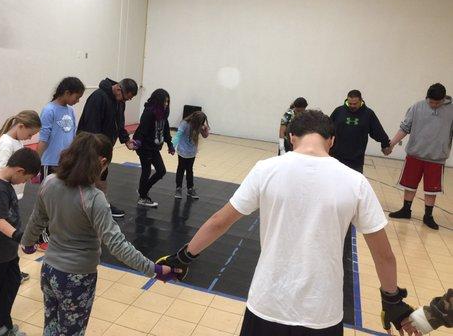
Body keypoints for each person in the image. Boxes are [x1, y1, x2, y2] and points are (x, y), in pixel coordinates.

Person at [158, 110, 416, 336]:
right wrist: (391, 300)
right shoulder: (355, 182)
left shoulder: (265, 170)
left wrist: (182, 258)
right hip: (322, 313)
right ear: (332, 141)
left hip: (267, 305)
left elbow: (219, 222)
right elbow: (384, 256)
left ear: (291, 137)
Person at [20, 132, 179, 336]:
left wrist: (28, 242)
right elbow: (117, 245)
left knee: (51, 327)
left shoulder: (49, 182)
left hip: (49, 271)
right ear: (102, 162)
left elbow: (37, 219)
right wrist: (154, 269)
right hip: (76, 278)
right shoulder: (94, 198)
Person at [0, 148, 41, 336]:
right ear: (19, 171)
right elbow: (0, 222)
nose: (25, 182)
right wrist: (21, 237)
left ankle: (2, 323)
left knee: (12, 283)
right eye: (26, 178)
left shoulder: (5, 183)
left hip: (8, 250)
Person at [389, 83, 453, 230]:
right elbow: (405, 127)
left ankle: (428, 216)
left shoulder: (451, 110)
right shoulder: (417, 107)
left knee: (432, 189)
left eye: (438, 102)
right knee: (409, 184)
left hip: (437, 157)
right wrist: (391, 143)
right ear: (426, 98)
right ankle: (406, 210)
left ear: (444, 99)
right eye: (431, 102)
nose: (434, 105)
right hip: (415, 154)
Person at [77, 78, 139, 218]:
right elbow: (91, 126)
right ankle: (83, 208)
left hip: (105, 147)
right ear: (118, 89)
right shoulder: (98, 97)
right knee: (88, 177)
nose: (125, 101)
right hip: (91, 146)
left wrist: (126, 140)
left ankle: (104, 205)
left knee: (102, 175)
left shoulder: (120, 102)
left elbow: (120, 123)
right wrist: (96, 151)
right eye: (125, 98)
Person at [0, 110, 41, 283]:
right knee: (7, 236)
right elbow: (0, 172)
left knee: (11, 239)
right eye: (30, 134)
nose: (29, 138)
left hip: (13, 196)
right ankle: (7, 274)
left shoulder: (16, 141)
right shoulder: (6, 143)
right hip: (6, 198)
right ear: (21, 126)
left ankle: (13, 272)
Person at [36, 77, 85, 250]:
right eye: (76, 97)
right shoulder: (49, 110)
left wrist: (74, 157)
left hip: (66, 163)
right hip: (50, 162)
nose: (78, 101)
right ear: (66, 93)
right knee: (49, 201)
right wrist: (35, 163)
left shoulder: (70, 111)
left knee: (62, 200)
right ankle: (41, 237)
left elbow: (72, 136)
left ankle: (56, 233)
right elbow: (43, 138)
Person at [329, 90, 391, 173]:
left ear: (361, 100)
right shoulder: (338, 111)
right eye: (350, 103)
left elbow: (377, 131)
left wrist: (385, 144)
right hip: (336, 157)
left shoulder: (368, 114)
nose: (352, 106)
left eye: (355, 104)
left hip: (356, 159)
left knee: (354, 184)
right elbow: (328, 129)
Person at [133, 89, 174, 207]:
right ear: (159, 100)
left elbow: (165, 129)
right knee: (146, 171)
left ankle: (143, 190)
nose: (166, 104)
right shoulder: (149, 112)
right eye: (165, 101)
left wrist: (170, 144)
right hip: (145, 147)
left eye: (168, 102)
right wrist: (138, 142)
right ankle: (143, 196)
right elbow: (142, 129)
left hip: (154, 148)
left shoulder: (164, 113)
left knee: (161, 171)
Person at [172, 110, 210, 199]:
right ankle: (178, 188)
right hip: (182, 151)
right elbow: (178, 135)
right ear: (195, 119)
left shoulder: (199, 125)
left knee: (189, 170)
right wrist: (172, 146)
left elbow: (205, 136)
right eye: (200, 122)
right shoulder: (184, 124)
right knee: (181, 169)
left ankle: (190, 188)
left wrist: (206, 130)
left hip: (192, 152)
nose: (201, 124)